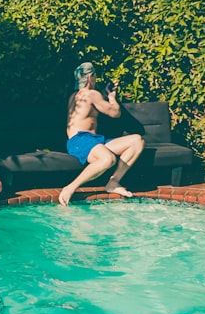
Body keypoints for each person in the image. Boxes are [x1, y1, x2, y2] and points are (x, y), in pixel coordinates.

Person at [58, 62, 145, 206]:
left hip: (94, 140)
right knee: (108, 159)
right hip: (80, 140)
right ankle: (70, 187)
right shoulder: (91, 94)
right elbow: (115, 113)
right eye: (95, 75)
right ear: (91, 77)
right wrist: (111, 97)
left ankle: (113, 182)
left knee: (137, 140)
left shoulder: (74, 96)